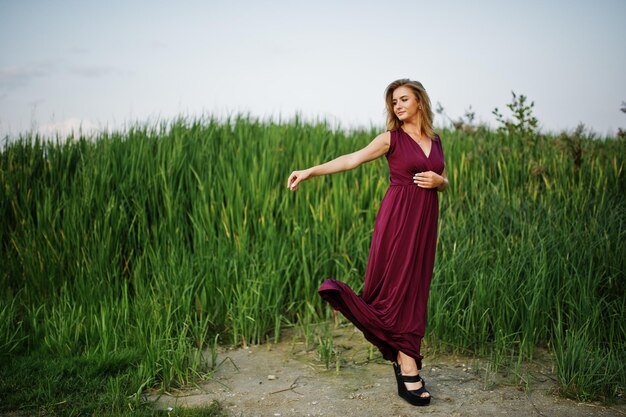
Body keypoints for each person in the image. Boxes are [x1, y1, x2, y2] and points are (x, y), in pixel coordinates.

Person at [286, 79, 448, 406]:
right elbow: (351, 159)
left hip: (426, 224)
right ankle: (407, 363)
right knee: (398, 289)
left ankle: (406, 356)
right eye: (393, 102)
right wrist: (309, 171)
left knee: (417, 288)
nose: (397, 106)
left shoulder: (435, 140)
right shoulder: (391, 139)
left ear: (419, 101)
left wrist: (441, 181)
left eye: (404, 99)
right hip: (398, 221)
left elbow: (441, 180)